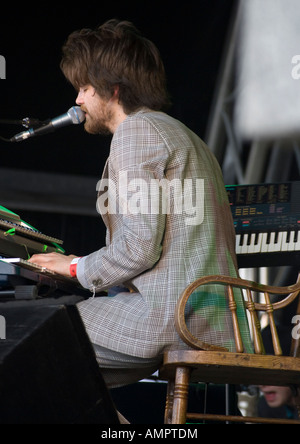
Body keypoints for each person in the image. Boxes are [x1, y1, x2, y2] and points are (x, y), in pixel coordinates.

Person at [29, 19, 252, 389]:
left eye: (85, 88)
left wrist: (72, 267)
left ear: (113, 90)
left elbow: (139, 247)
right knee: (62, 375)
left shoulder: (137, 132)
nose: (78, 100)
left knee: (29, 338)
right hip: (213, 320)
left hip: (171, 318)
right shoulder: (184, 134)